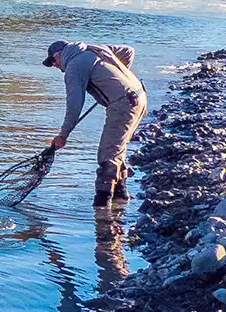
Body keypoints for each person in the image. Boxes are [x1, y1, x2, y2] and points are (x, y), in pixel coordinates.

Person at [43, 40, 148, 205]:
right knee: (117, 149)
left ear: (60, 54)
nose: (54, 65)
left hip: (124, 104)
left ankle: (102, 207)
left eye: (52, 60)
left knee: (107, 155)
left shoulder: (73, 67)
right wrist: (118, 82)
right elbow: (128, 51)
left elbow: (74, 105)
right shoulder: (95, 48)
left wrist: (63, 135)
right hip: (139, 96)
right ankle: (121, 198)